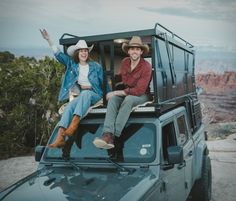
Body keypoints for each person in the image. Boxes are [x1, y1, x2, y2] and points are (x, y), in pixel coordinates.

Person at [40, 29, 108, 148]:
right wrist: (49, 40)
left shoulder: (96, 66)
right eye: (81, 51)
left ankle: (73, 125)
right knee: (69, 107)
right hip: (82, 96)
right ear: (77, 53)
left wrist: (109, 95)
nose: (84, 53)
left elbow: (104, 83)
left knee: (86, 93)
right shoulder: (72, 65)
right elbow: (58, 55)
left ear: (88, 52)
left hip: (95, 94)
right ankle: (60, 137)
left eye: (86, 50)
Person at [93, 36, 152, 149]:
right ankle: (107, 134)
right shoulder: (125, 62)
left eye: (137, 49)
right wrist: (106, 80)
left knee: (127, 99)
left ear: (141, 51)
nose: (134, 51)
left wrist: (116, 92)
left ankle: (114, 135)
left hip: (142, 95)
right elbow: (120, 77)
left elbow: (139, 90)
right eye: (132, 49)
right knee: (113, 99)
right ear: (128, 51)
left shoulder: (146, 66)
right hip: (127, 93)